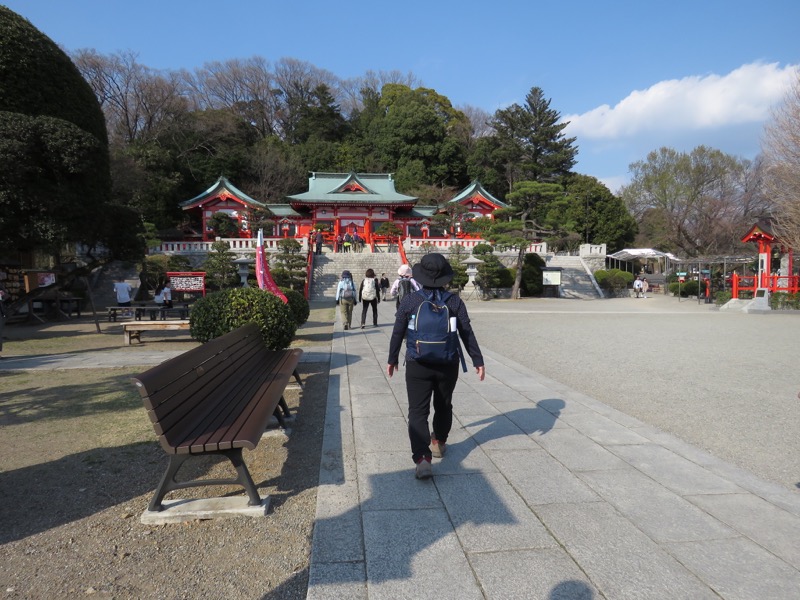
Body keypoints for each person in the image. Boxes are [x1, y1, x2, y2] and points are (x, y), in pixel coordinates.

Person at [387, 253, 485, 480]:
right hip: (447, 363)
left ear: (421, 276)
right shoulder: (454, 301)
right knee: (444, 405)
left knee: (417, 411)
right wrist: (477, 360)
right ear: (445, 277)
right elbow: (466, 331)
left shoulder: (411, 300)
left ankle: (422, 458)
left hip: (416, 362)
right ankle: (439, 442)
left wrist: (392, 359)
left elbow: (397, 331)